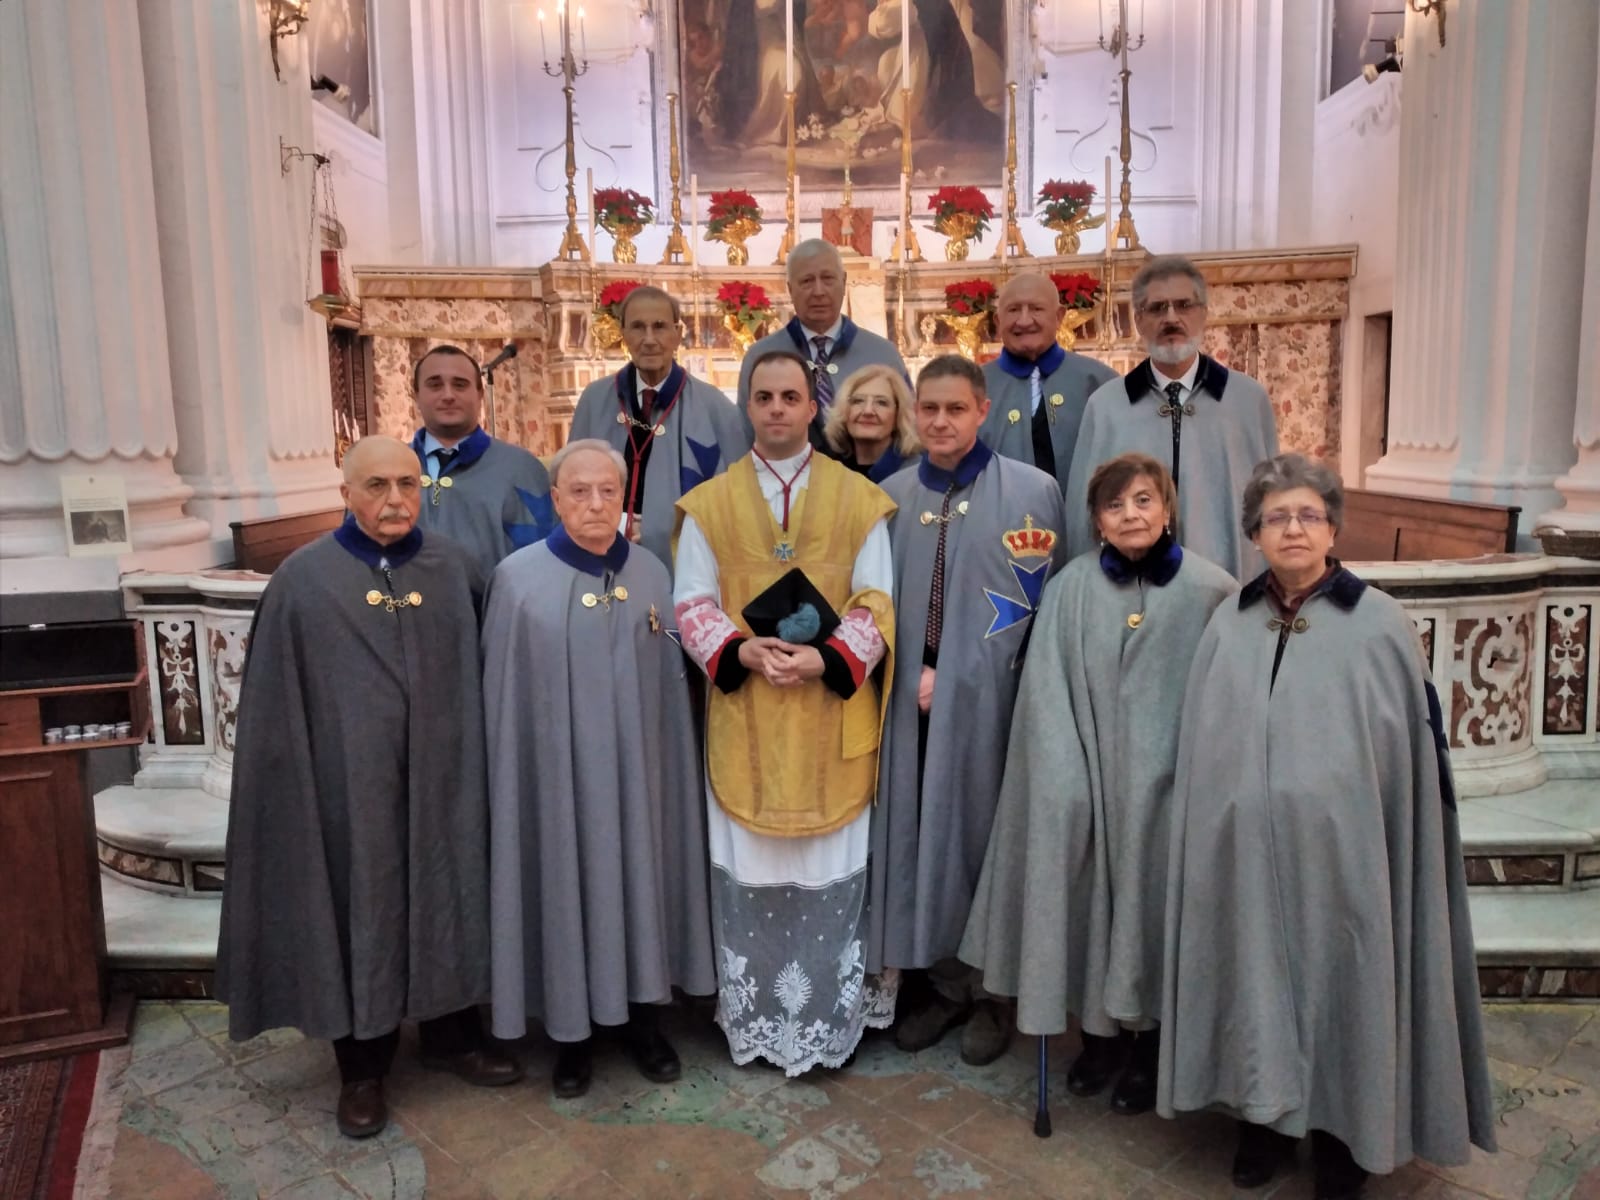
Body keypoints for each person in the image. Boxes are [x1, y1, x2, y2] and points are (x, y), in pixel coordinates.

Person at [1158, 453, 1496, 1199]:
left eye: (1308, 514)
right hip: (1245, 854)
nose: (1294, 528)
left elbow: (1407, 755)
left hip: (1350, 860)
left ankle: (1347, 1134)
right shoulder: (1229, 624)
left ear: (1334, 526)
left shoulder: (1377, 625)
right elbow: (1207, 741)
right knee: (1253, 977)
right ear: (1254, 533)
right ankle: (1265, 1122)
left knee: (1348, 983)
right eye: (1277, 517)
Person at [217, 436, 521, 1142]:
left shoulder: (455, 568)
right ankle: (362, 1066)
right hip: (348, 787)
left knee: (450, 889)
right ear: (346, 494)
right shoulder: (303, 581)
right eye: (377, 486)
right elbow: (274, 709)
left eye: (408, 485)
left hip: (447, 777)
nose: (395, 501)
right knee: (365, 903)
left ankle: (452, 1036)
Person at [960, 453, 1235, 1116]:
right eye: (1115, 506)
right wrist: (1063, 776)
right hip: (1087, 778)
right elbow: (1045, 691)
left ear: (1168, 509)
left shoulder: (1212, 591)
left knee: (1153, 915)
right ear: (1097, 520)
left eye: (1144, 501)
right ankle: (1101, 1042)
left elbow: (1229, 698)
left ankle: (1148, 1049)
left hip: (1170, 793)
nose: (1131, 515)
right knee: (1089, 913)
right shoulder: (1071, 589)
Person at [674, 349, 899, 1074]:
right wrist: (739, 652)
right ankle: (759, 1017)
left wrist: (825, 658)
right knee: (756, 867)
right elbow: (691, 605)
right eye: (764, 396)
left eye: (790, 396)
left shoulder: (860, 500)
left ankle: (827, 1024)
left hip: (831, 717)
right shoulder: (708, 503)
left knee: (830, 864)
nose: (776, 408)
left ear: (812, 407)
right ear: (749, 406)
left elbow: (877, 601)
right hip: (750, 720)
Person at [483, 439, 716, 1099]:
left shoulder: (652, 575)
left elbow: (673, 680)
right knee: (567, 885)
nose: (593, 504)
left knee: (643, 879)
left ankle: (645, 1019)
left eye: (607, 492)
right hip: (557, 781)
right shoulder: (517, 580)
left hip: (641, 776)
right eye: (578, 491)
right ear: (555, 498)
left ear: (624, 498)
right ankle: (571, 1038)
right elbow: (504, 701)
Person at [869, 355, 1067, 1066]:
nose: (943, 421)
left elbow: (1026, 606)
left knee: (986, 838)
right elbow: (874, 604)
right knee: (924, 837)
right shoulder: (889, 497)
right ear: (914, 415)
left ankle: (994, 994)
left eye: (957, 408)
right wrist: (912, 674)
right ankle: (943, 983)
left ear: (983, 410)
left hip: (990, 704)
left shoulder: (1032, 492)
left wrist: (952, 679)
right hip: (904, 708)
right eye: (930, 410)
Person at [1064, 256, 1277, 579]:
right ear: (1138, 320)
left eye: (1183, 305)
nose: (1171, 318)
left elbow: (1271, 501)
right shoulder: (1107, 406)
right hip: (1131, 589)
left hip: (1227, 582)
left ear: (1203, 313)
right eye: (1157, 308)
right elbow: (1084, 511)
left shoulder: (1246, 400)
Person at [569, 286, 750, 573]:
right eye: (638, 327)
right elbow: (571, 484)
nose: (649, 339)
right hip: (601, 558)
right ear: (623, 334)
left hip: (682, 569)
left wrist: (655, 528)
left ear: (678, 334)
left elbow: (738, 498)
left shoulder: (715, 407)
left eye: (660, 327)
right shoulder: (595, 399)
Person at [736, 240, 907, 451]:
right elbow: (744, 437)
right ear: (790, 289)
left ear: (844, 282)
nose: (819, 291)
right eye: (807, 281)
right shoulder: (761, 356)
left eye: (828, 279)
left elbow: (909, 434)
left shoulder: (883, 354)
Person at [409, 343, 554, 575]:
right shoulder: (387, 472)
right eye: (435, 385)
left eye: (460, 385)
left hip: (494, 609)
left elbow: (545, 561)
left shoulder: (522, 470)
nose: (448, 395)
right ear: (416, 394)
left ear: (479, 394)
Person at [979, 272, 1117, 493]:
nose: (1024, 320)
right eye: (1013, 310)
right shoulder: (972, 386)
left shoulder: (1100, 381)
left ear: (1059, 316)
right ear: (998, 320)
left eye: (1036, 309)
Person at [823, 364, 920, 483]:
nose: (868, 411)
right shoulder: (827, 471)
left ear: (898, 415)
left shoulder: (916, 476)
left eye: (881, 403)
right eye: (858, 401)